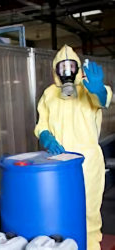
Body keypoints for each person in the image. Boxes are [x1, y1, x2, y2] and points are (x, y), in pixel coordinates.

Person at [34, 44, 112, 250]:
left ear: (78, 67)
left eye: (71, 66)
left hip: (88, 162)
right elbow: (42, 124)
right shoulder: (49, 94)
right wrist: (47, 137)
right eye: (62, 67)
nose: (67, 71)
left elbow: (103, 101)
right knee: (60, 209)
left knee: (89, 210)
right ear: (55, 70)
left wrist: (99, 89)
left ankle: (91, 245)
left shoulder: (89, 88)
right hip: (59, 161)